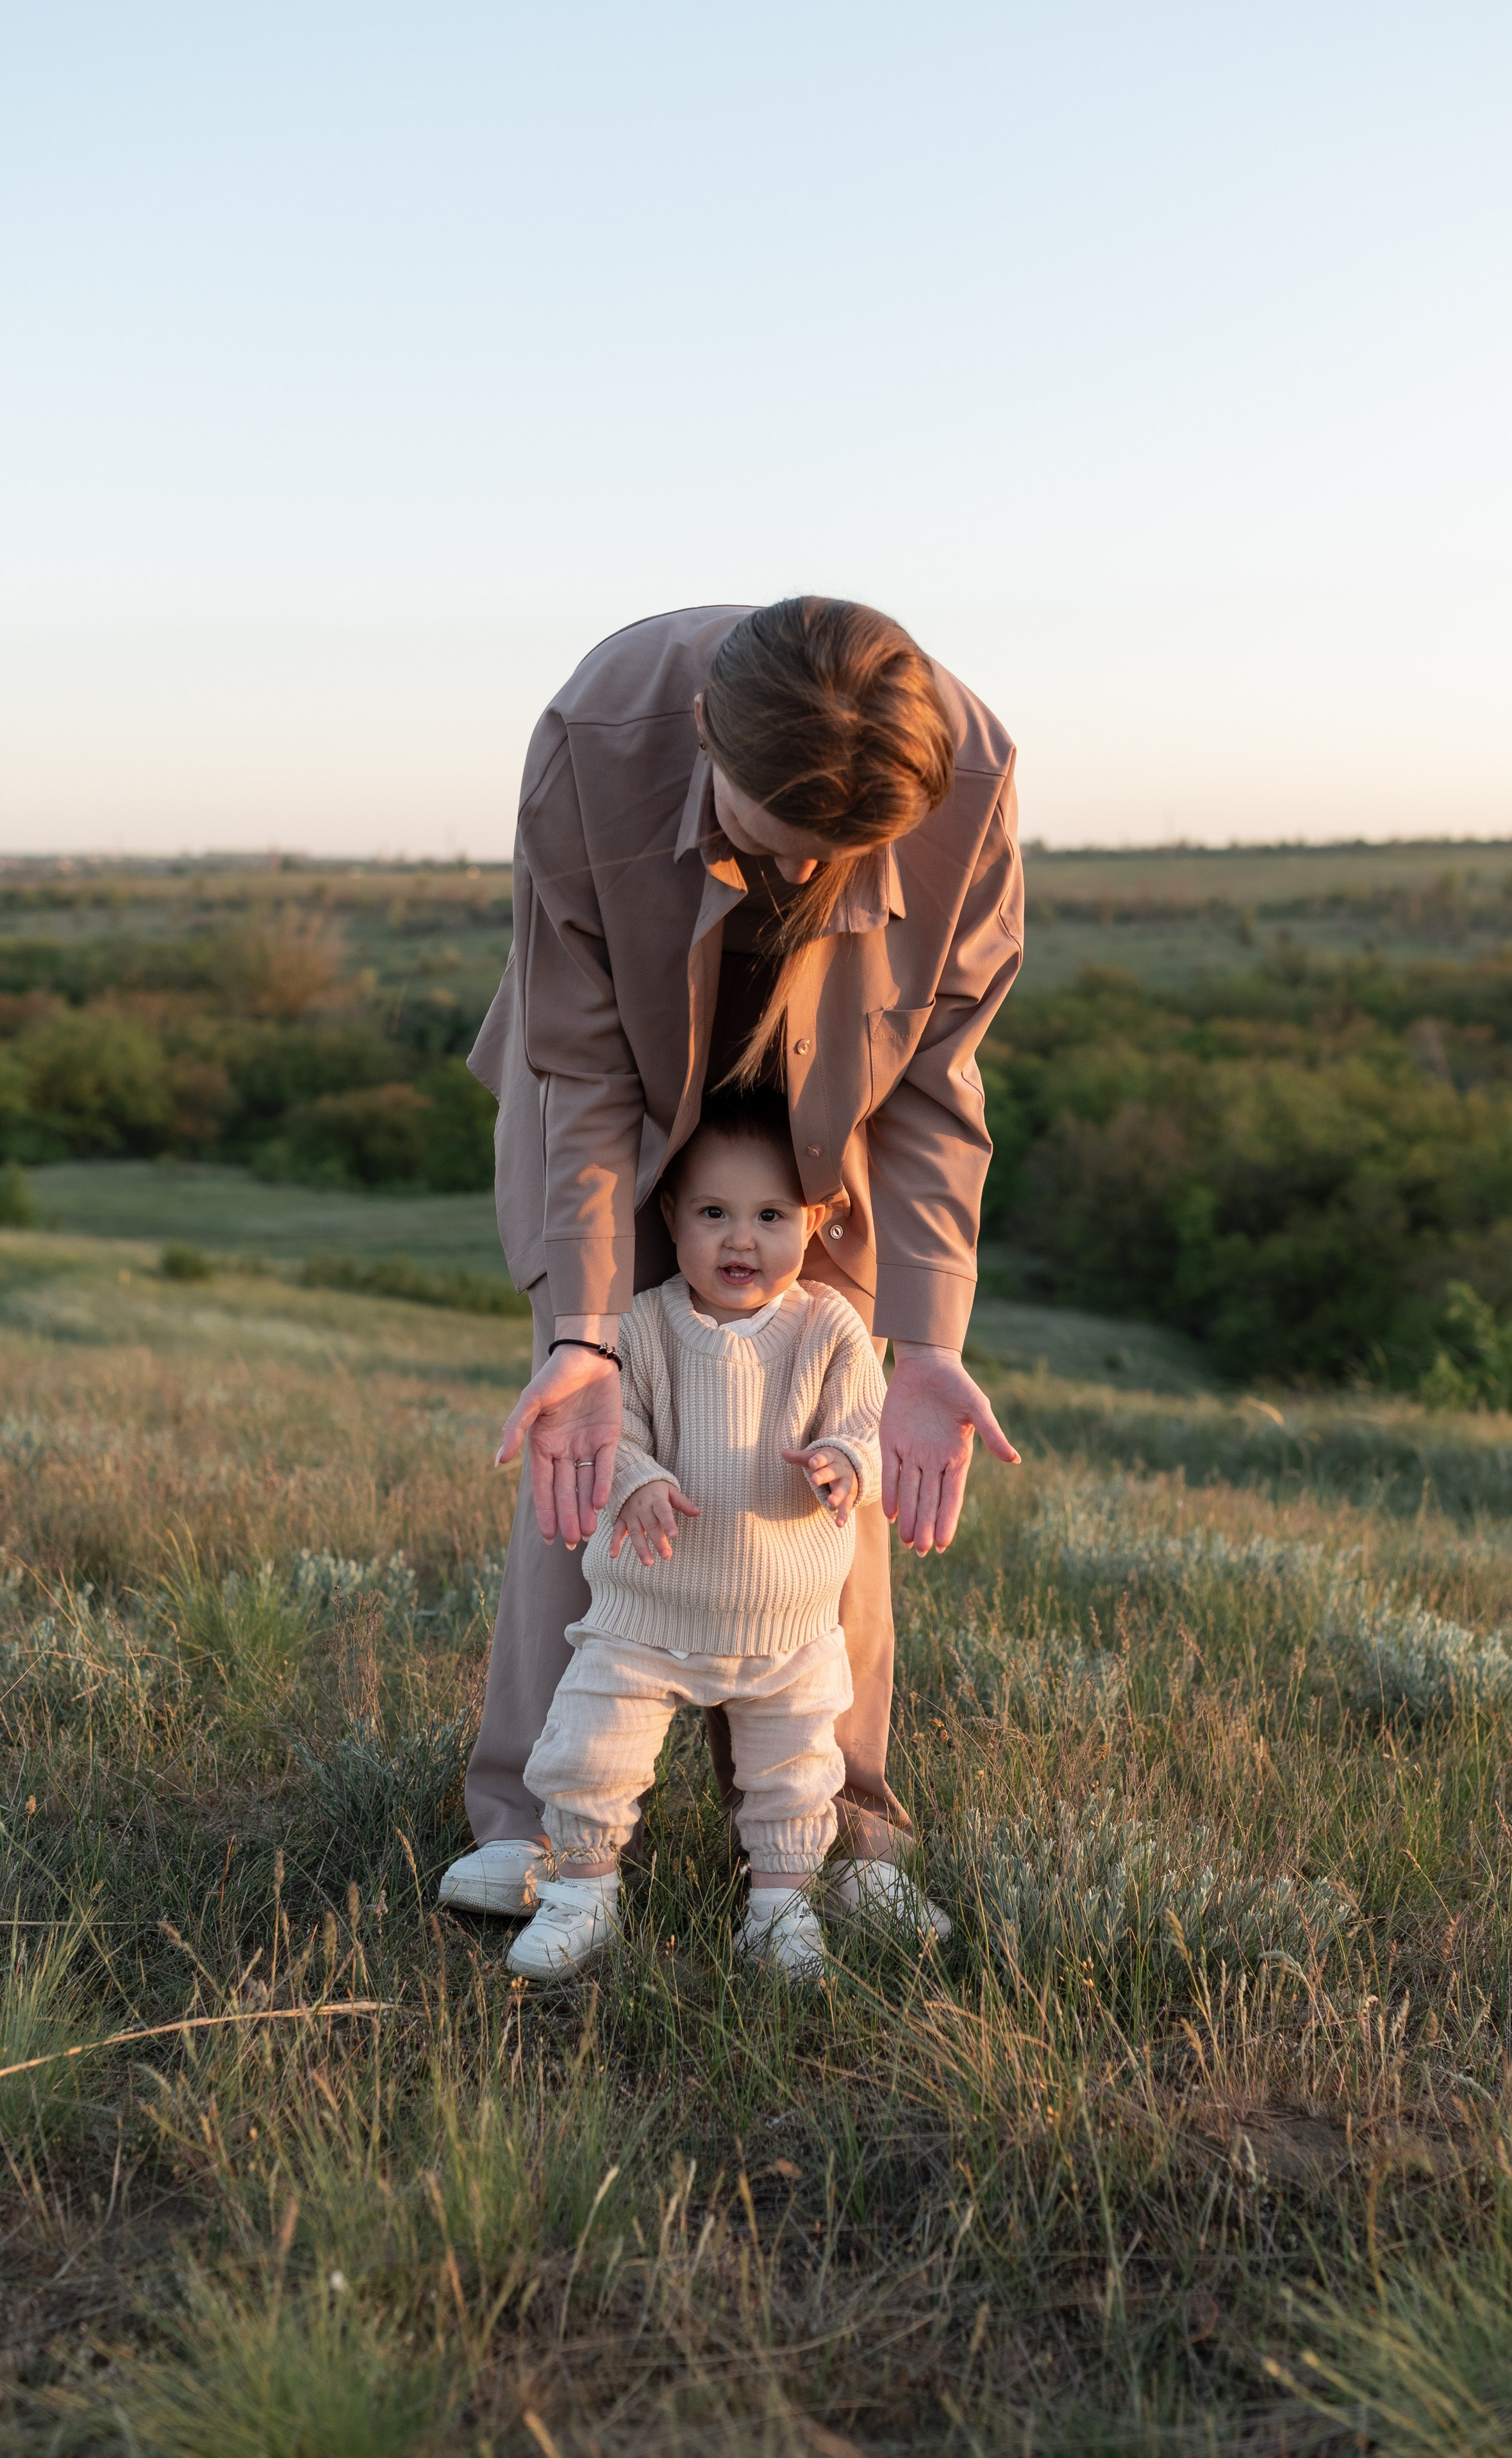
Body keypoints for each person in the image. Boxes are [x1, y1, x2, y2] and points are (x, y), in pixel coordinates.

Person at [438, 597, 1022, 1932]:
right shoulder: (596, 733)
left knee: (833, 1439)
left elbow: (937, 1076)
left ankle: (842, 1827)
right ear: (706, 736)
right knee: (589, 1426)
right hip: (618, 1085)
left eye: (845, 858)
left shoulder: (972, 773)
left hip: (835, 1100)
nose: (809, 879)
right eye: (777, 846)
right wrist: (582, 1333)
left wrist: (926, 1346)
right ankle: (533, 1819)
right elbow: (579, 1065)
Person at [508, 1097, 883, 1981]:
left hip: (786, 1623)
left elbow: (865, 1421)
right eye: (714, 1213)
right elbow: (614, 1428)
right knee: (589, 1752)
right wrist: (635, 1479)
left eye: (770, 1217)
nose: (740, 1241)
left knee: (794, 1773)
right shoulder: (637, 1325)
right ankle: (582, 1896)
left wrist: (842, 1460)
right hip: (645, 1610)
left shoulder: (830, 1328)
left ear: (816, 1221)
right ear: (670, 1217)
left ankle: (780, 1908)